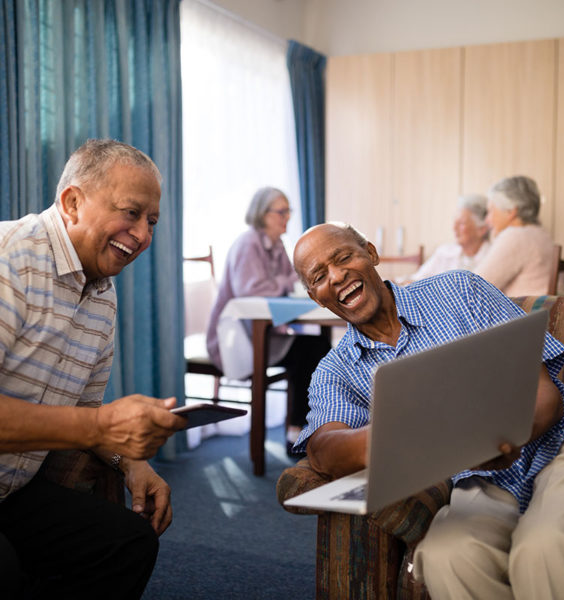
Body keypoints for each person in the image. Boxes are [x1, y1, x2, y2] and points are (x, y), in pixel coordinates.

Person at [292, 222, 564, 598]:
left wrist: (500, 439)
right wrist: (391, 436)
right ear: (314, 295)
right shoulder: (335, 370)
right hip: (479, 478)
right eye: (320, 276)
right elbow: (322, 448)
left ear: (370, 253)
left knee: (547, 549)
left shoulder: (459, 290)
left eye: (343, 258)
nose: (337, 276)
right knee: (445, 557)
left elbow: (544, 395)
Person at [0, 139, 188, 599]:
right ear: (72, 203)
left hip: (11, 489)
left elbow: (83, 408)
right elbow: (92, 421)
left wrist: (132, 462)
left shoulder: (101, 292)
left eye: (152, 222)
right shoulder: (9, 258)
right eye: (131, 213)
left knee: (128, 542)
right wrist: (104, 425)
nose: (143, 235)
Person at [206, 187, 329, 454]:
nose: (287, 217)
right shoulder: (248, 243)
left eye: (288, 211)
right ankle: (297, 431)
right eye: (281, 211)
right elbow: (251, 292)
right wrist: (288, 282)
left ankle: (306, 427)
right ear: (263, 213)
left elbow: (294, 282)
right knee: (310, 351)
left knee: (318, 345)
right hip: (236, 339)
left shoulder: (278, 245)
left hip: (266, 335)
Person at [474, 175, 555, 296]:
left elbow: (474, 287)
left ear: (511, 211)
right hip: (544, 310)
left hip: (524, 312)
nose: (487, 220)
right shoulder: (542, 235)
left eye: (491, 211)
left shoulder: (516, 237)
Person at [403, 193, 490, 282]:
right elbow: (416, 280)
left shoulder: (491, 257)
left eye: (461, 223)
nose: (454, 228)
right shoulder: (444, 252)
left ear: (482, 229)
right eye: (455, 222)